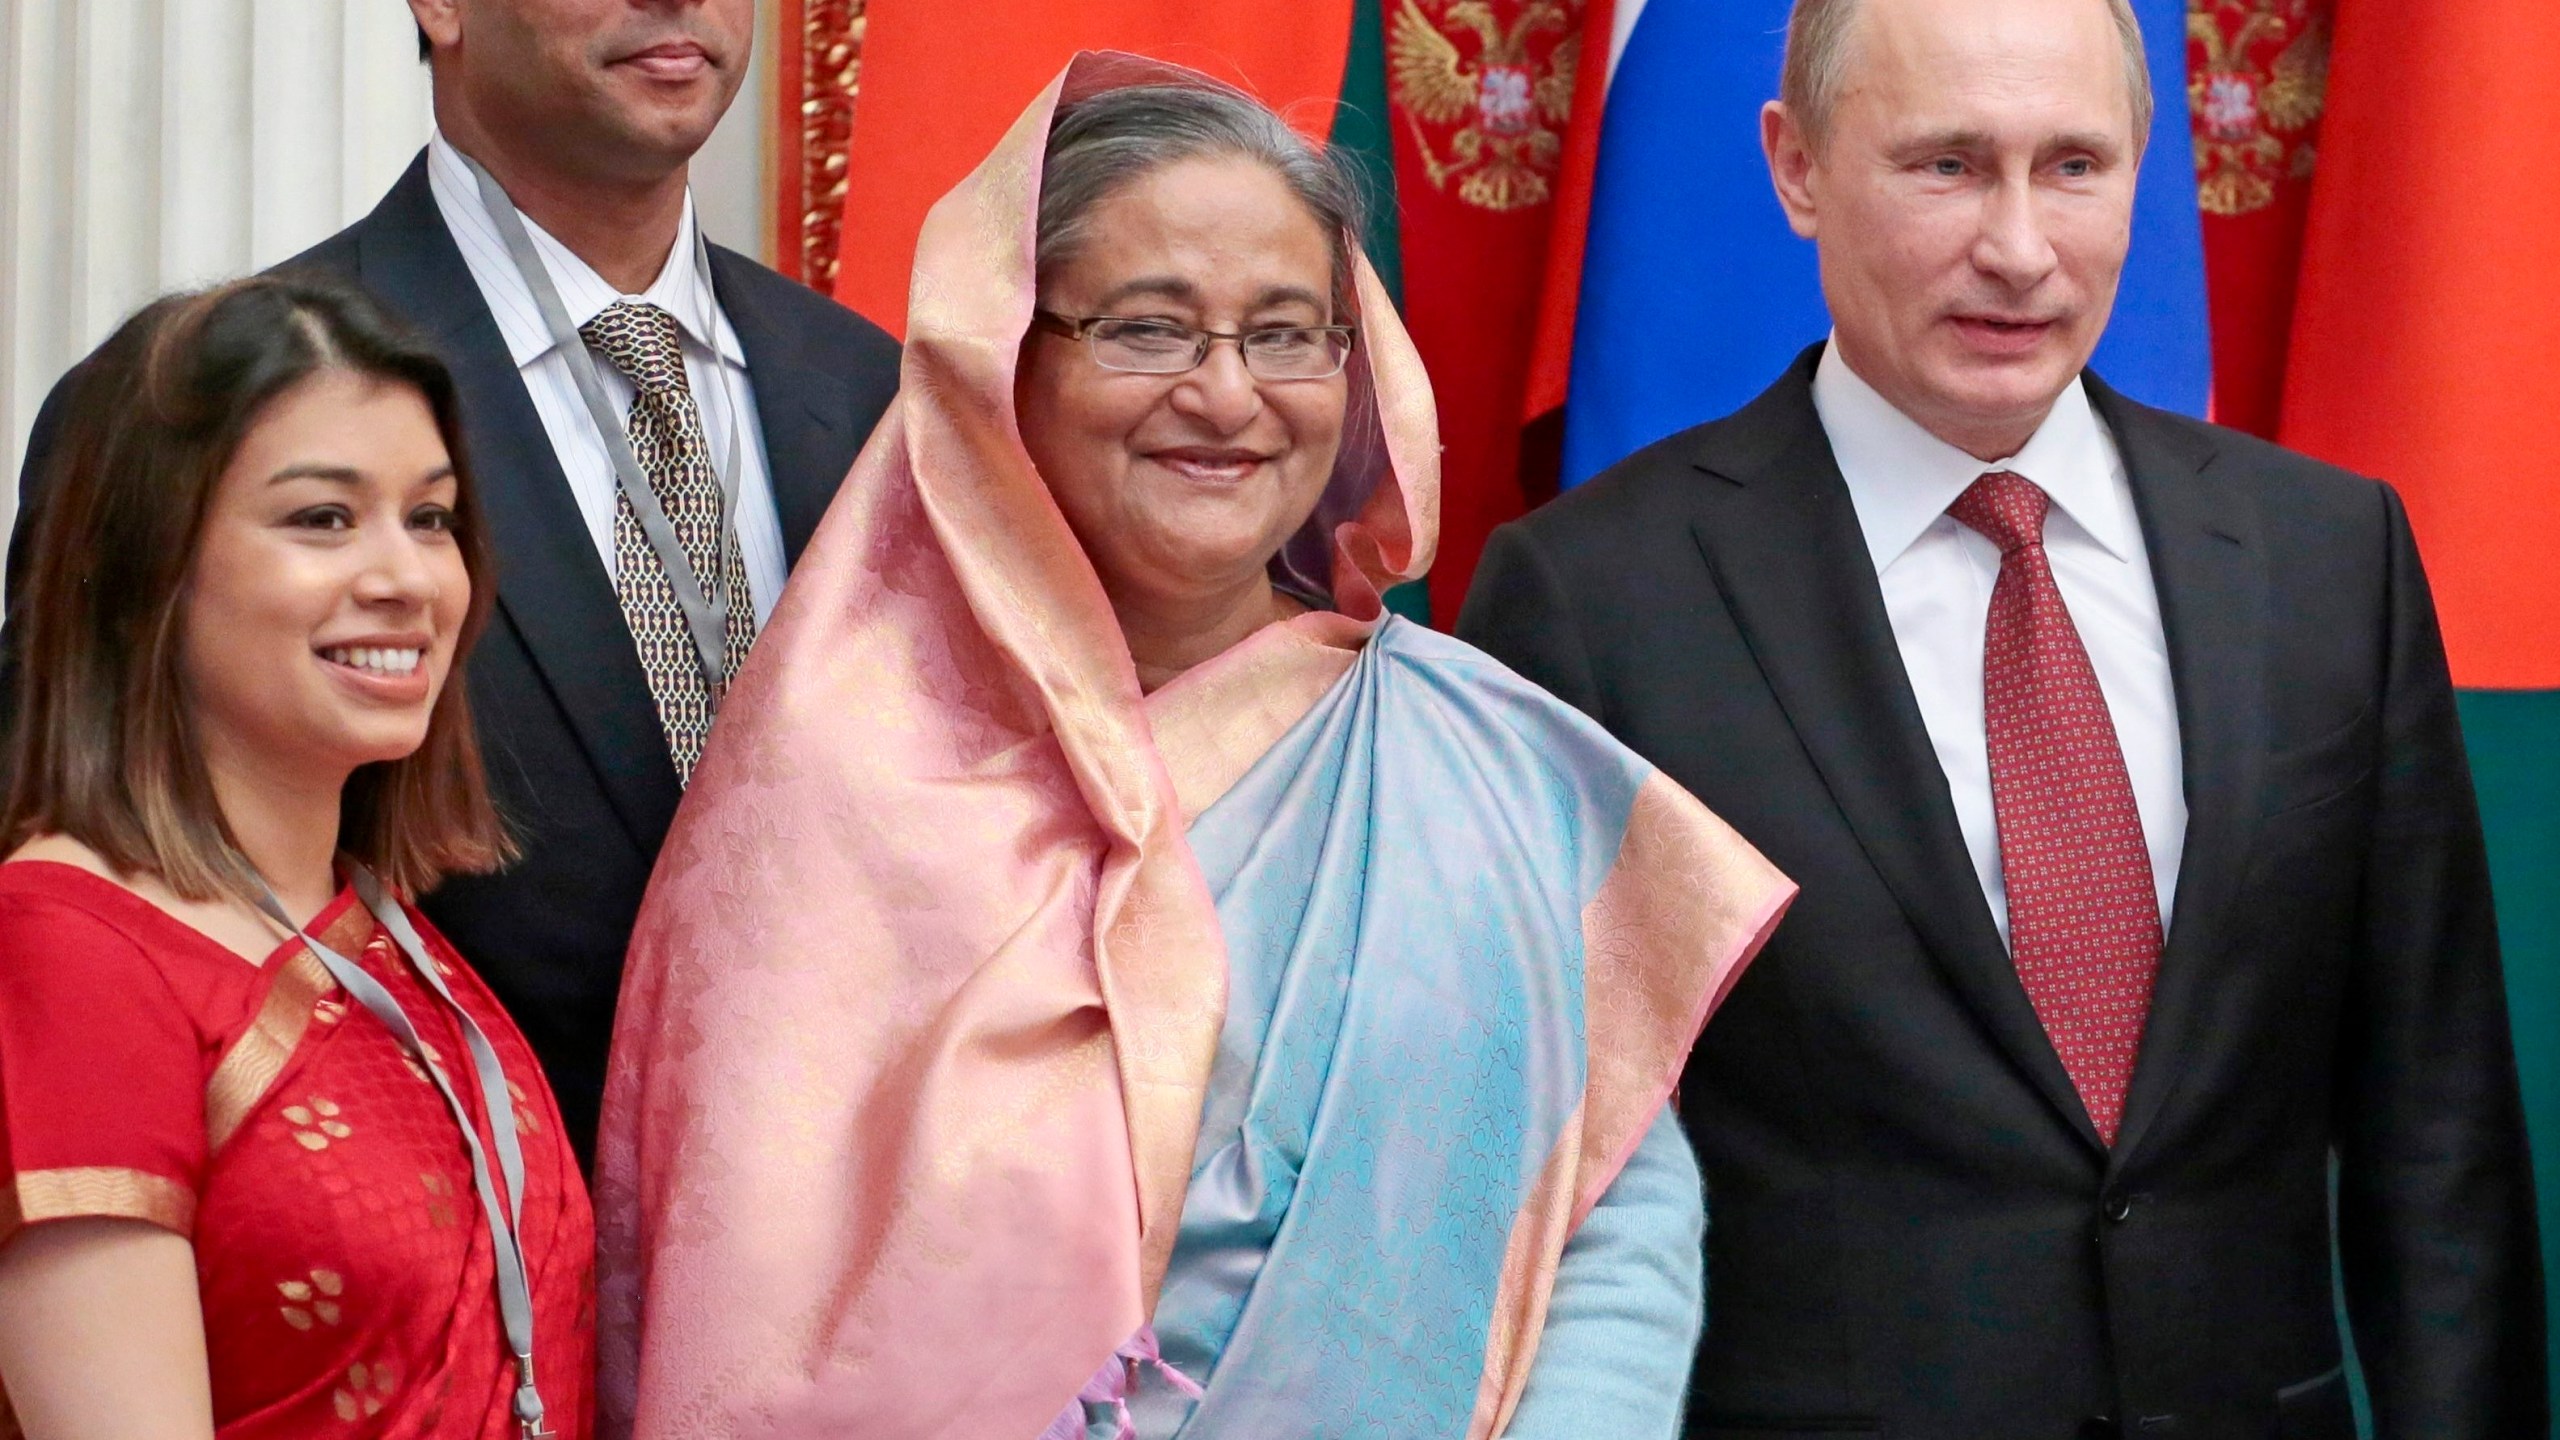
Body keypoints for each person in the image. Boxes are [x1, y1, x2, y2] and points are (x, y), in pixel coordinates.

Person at [591, 54, 1793, 1440]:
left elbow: (1608, 1219)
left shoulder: (1479, 762)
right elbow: (741, 1300)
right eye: (1152, 329)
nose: (1228, 398)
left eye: (1287, 334)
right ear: (1006, 362)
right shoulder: (824, 784)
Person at [1458, 0, 2547, 1434]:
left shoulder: (2328, 558)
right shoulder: (1591, 601)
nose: (2021, 249)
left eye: (2076, 165)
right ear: (1795, 167)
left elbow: (2438, 1136)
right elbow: (1518, 1176)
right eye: (1948, 166)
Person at [4, 0, 903, 1163]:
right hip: (408, 1258)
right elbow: (86, 885)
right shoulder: (208, 399)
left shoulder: (874, 391)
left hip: (829, 1253)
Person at [0, 275, 592, 1439]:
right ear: (143, 575)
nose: (407, 578)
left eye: (430, 518)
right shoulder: (66, 949)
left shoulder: (388, 933)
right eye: (322, 518)